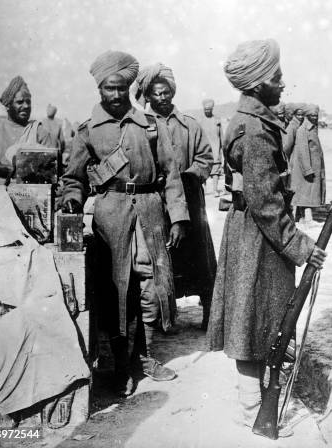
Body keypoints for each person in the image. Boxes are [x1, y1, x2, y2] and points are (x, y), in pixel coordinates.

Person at [206, 39, 326, 430]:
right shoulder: (256, 130)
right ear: (258, 84)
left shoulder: (250, 121)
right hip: (260, 238)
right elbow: (267, 203)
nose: (282, 83)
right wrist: (303, 247)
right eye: (276, 77)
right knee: (252, 320)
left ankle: (255, 406)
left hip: (254, 234)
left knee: (258, 318)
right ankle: (252, 411)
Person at [61, 50, 190, 396]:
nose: (116, 95)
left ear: (129, 87)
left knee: (151, 286)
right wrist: (72, 198)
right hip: (110, 215)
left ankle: (144, 357)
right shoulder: (87, 131)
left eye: (121, 88)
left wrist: (177, 217)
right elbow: (73, 177)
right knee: (116, 289)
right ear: (99, 89)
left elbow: (171, 174)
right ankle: (118, 364)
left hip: (149, 212)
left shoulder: (150, 125)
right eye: (109, 88)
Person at [134, 62, 216, 330]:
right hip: (158, 202)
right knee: (162, 258)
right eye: (156, 93)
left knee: (200, 259)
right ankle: (163, 316)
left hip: (191, 201)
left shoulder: (190, 126)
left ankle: (208, 311)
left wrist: (191, 176)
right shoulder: (141, 126)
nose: (162, 97)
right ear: (147, 96)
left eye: (166, 92)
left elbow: (206, 158)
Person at [0, 76, 52, 183]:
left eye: (28, 102)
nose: (26, 106)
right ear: (8, 105)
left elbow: (50, 166)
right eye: (20, 102)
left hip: (33, 190)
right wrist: (14, 171)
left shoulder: (39, 131)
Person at [291, 103, 326, 224]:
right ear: (307, 115)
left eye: (316, 116)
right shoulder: (303, 130)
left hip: (313, 167)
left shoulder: (312, 129)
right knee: (307, 192)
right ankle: (307, 218)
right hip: (306, 168)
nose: (315, 118)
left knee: (306, 192)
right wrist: (307, 169)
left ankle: (300, 217)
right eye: (312, 115)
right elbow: (302, 151)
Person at [199, 98, 224, 196]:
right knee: (203, 169)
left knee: (215, 170)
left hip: (215, 148)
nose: (207, 111)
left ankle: (215, 189)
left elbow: (221, 135)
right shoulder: (200, 121)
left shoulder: (216, 120)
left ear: (212, 109)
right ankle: (204, 190)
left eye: (209, 109)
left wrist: (222, 147)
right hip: (204, 149)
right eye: (205, 109)